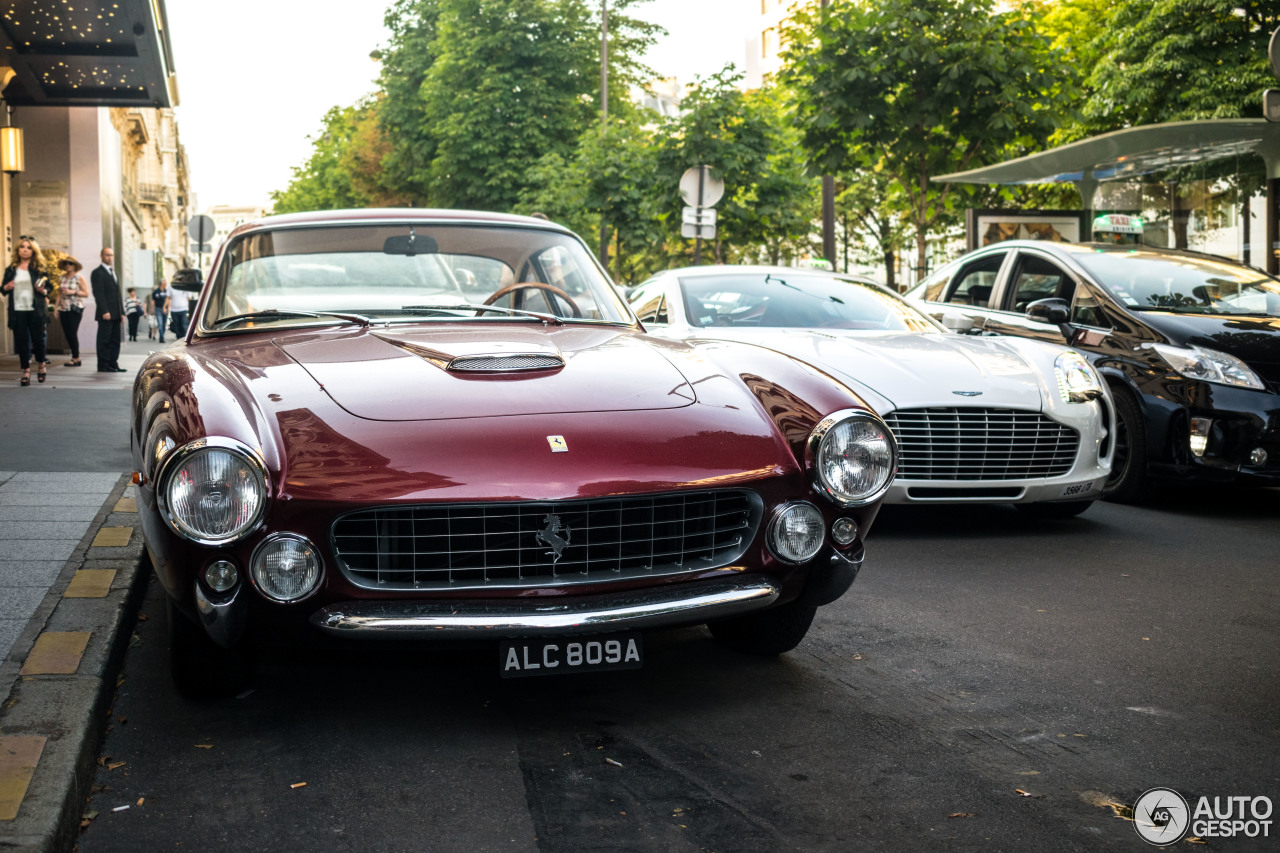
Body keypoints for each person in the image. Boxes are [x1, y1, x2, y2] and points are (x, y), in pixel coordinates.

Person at [2, 237, 53, 385]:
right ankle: (26, 371)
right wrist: (7, 287)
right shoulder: (11, 270)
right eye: (22, 247)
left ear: (33, 251)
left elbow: (49, 288)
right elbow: (3, 289)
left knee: (38, 340)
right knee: (22, 341)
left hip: (35, 309)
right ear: (18, 250)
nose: (25, 249)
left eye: (29, 247)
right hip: (18, 309)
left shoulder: (39, 269)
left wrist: (43, 290)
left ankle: (41, 365)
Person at [91, 247, 126, 372]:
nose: (109, 257)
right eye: (107, 255)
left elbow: (118, 294)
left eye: (111, 255)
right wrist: (104, 310)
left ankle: (113, 363)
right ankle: (103, 364)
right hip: (106, 313)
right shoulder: (97, 273)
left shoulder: (112, 272)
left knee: (115, 340)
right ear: (101, 256)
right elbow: (98, 294)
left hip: (116, 313)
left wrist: (122, 312)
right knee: (104, 340)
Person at [55, 255, 89, 365]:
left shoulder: (79, 277)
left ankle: (76, 357)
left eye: (70, 263)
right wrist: (56, 308)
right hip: (64, 308)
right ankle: (75, 357)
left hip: (75, 308)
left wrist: (72, 292)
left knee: (72, 333)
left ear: (74, 266)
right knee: (67, 334)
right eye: (66, 263)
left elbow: (86, 293)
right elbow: (59, 294)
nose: (68, 265)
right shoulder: (62, 277)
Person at [150, 278, 170, 344]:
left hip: (165, 309)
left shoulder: (166, 291)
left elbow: (168, 300)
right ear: (162, 283)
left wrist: (168, 308)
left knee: (164, 324)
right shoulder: (156, 291)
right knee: (160, 323)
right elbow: (153, 301)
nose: (166, 284)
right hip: (158, 309)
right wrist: (152, 309)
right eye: (165, 282)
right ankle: (161, 337)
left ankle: (162, 335)